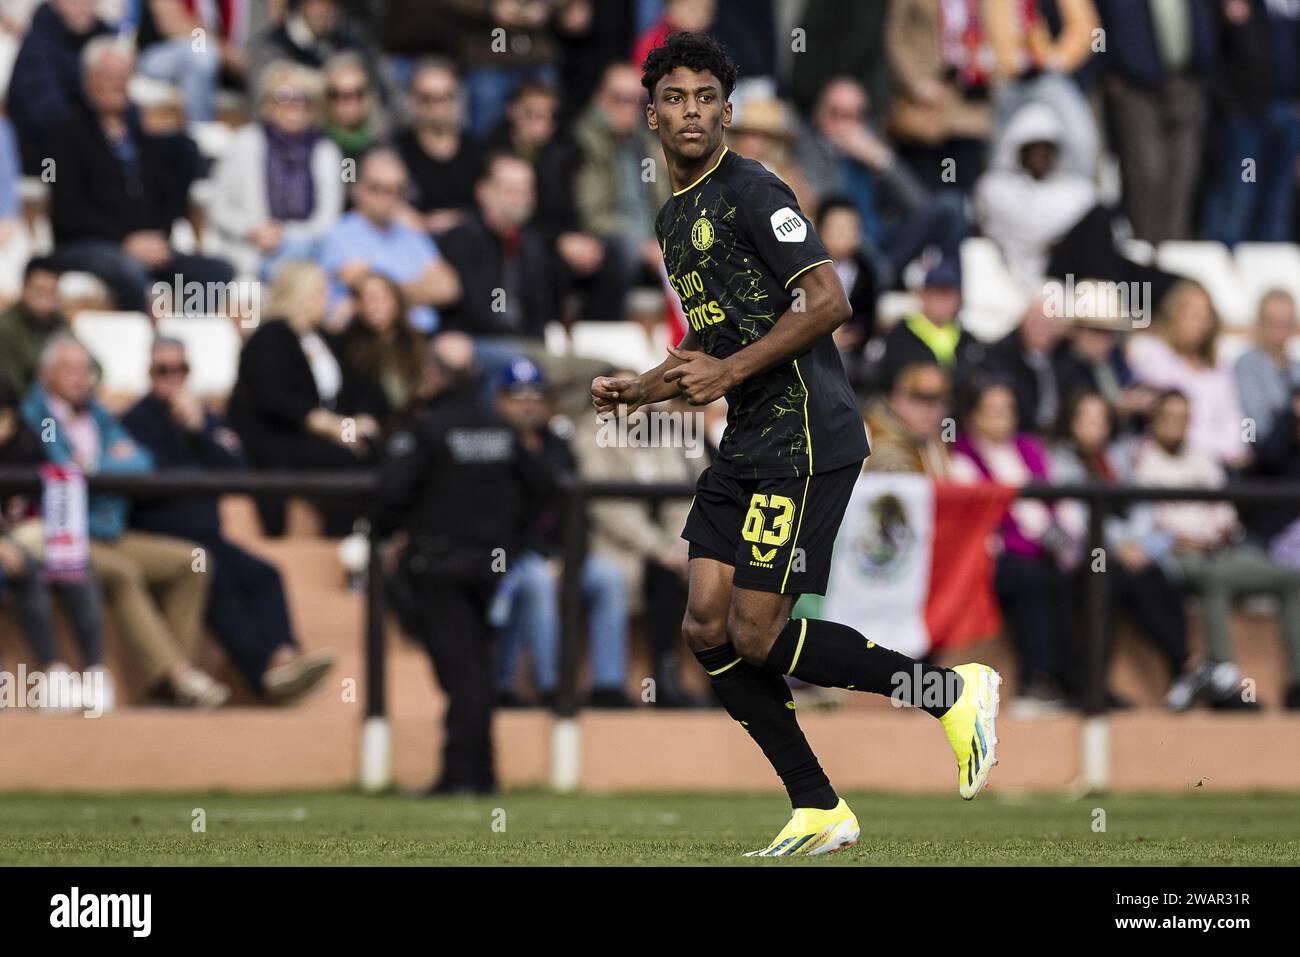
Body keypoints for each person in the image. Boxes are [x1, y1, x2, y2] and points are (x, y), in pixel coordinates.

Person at [591, 32, 1001, 857]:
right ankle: (818, 806)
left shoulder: (753, 186)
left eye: (707, 97)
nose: (692, 111)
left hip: (807, 433)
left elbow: (828, 299)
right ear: (652, 114)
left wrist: (727, 370)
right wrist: (645, 386)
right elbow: (711, 346)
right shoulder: (674, 218)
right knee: (703, 623)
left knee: (754, 633)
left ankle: (946, 690)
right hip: (748, 438)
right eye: (675, 98)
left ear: (727, 112)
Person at [372, 332, 555, 795]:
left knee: (461, 673)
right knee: (475, 665)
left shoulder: (427, 429)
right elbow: (544, 487)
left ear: (434, 375)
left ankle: (461, 777)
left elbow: (389, 494)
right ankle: (482, 773)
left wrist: (395, 529)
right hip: (489, 567)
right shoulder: (500, 429)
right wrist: (514, 541)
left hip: (440, 566)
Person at [123, 338, 336, 702]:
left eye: (181, 369)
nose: (173, 377)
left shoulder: (204, 417)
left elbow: (236, 470)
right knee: (213, 579)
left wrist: (198, 431)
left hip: (209, 534)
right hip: (165, 536)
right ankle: (265, 671)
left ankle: (285, 653)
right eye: (163, 370)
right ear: (149, 373)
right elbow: (148, 478)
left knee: (265, 574)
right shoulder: (134, 421)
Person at [22, 335, 227, 708]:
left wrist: (93, 469)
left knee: (194, 562)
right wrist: (100, 468)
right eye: (69, 368)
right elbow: (58, 465)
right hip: (64, 537)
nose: (79, 377)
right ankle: (180, 676)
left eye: (85, 369)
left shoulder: (98, 414)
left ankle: (172, 683)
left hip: (108, 530)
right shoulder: (35, 416)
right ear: (47, 373)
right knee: (123, 573)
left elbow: (140, 463)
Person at [1131, 388, 1300, 709]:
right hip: (1175, 556)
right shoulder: (1141, 457)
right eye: (1169, 417)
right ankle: (1226, 685)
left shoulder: (1201, 457)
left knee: (1292, 578)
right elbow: (1155, 522)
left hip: (1219, 550)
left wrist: (1220, 531)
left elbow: (1225, 511)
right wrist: (1193, 539)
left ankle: (1297, 683)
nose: (1176, 425)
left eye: (1183, 418)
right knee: (1216, 577)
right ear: (1154, 420)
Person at [45, 37, 235, 313]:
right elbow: (66, 211)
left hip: (144, 243)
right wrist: (124, 241)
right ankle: (138, 341)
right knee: (129, 271)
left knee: (216, 273)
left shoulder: (143, 135)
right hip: (85, 244)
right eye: (107, 75)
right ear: (88, 79)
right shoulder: (63, 135)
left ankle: (177, 338)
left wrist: (156, 236)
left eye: (123, 76)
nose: (116, 84)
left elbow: (176, 182)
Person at [1049, 390, 1203, 710]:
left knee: (1154, 575)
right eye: (1085, 420)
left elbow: (1143, 505)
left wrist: (1141, 545)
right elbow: (1077, 520)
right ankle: (1096, 686)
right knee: (1110, 581)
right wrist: (1122, 547)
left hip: (1126, 555)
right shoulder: (1058, 461)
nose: (1093, 427)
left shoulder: (1117, 457)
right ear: (1071, 423)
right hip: (1080, 557)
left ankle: (1184, 669)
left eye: (1100, 420)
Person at [491, 358, 632, 709]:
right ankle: (552, 686)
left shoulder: (557, 444)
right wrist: (544, 558)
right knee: (538, 580)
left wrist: (568, 559)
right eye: (516, 394)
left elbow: (575, 512)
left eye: (535, 394)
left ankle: (607, 686)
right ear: (500, 400)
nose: (527, 402)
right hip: (510, 557)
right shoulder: (491, 442)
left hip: (559, 554)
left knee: (609, 577)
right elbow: (499, 518)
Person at [226, 262, 381, 537]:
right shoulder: (270, 337)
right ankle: (345, 541)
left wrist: (361, 419)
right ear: (301, 293)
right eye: (321, 292)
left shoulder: (323, 338)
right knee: (343, 460)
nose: (326, 299)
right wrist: (337, 428)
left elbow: (357, 387)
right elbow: (279, 401)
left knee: (380, 449)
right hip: (279, 438)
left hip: (320, 432)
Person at [950, 380, 1072, 714]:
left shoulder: (1030, 448)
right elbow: (981, 524)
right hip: (994, 558)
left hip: (1045, 548)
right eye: (993, 412)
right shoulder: (963, 459)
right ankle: (1038, 679)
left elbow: (1058, 502)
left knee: (1088, 577)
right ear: (974, 416)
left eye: (1008, 411)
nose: (1003, 419)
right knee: (1033, 579)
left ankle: (1082, 683)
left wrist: (1066, 540)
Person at [0, 382, 110, 711]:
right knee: (24, 566)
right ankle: (52, 671)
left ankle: (94, 674)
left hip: (27, 538)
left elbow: (55, 496)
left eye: (4, 417)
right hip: (10, 551)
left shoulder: (28, 444)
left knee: (74, 564)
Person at [210, 60, 345, 279]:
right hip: (252, 252)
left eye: (304, 99)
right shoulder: (245, 142)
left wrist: (286, 235)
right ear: (268, 103)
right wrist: (252, 231)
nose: (294, 106)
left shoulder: (327, 152)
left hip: (307, 253)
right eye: (284, 97)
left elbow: (328, 221)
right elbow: (219, 207)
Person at [319, 148, 461, 334]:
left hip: (421, 338)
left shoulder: (411, 233)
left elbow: (449, 289)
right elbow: (369, 292)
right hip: (372, 339)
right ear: (356, 188)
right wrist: (419, 287)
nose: (387, 198)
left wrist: (390, 290)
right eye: (377, 188)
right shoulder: (340, 233)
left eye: (397, 190)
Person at [1129, 280, 1247, 468]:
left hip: (1220, 465)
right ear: (1173, 316)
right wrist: (1213, 449)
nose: (1198, 323)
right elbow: (1170, 422)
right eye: (1191, 314)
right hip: (1172, 462)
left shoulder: (1220, 368)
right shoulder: (1153, 357)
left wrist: (1238, 449)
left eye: (1204, 315)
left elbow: (1234, 418)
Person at [5, 0, 113, 175]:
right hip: (45, 156)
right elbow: (48, 115)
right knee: (58, 171)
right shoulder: (37, 46)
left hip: (97, 146)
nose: (81, 6)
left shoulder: (106, 39)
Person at [393, 58, 485, 236]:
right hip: (412, 241)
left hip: (468, 242)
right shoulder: (397, 149)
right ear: (413, 100)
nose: (436, 107)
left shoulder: (475, 150)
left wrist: (456, 220)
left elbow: (488, 204)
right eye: (427, 99)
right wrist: (417, 220)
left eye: (443, 98)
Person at [873, 257, 984, 393]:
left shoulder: (968, 341)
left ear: (959, 299)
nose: (941, 302)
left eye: (947, 295)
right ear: (923, 296)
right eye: (935, 294)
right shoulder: (900, 335)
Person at [983, 294, 1068, 436]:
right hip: (1017, 437)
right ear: (1023, 320)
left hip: (1057, 439)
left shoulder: (1063, 355)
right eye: (1036, 321)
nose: (1042, 329)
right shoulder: (1002, 355)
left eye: (1049, 324)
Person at [862, 362, 954, 477]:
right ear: (897, 399)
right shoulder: (881, 445)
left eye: (940, 401)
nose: (932, 412)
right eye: (920, 398)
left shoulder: (932, 443)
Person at [0, 258, 75, 398]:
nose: (45, 301)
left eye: (51, 292)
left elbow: (91, 364)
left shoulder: (59, 322)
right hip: (28, 406)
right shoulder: (5, 328)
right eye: (39, 291)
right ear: (24, 289)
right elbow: (14, 386)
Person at [1235, 290, 1300, 442]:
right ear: (1261, 323)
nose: (1280, 328)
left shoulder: (1295, 367)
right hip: (1266, 451)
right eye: (1273, 322)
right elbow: (1253, 421)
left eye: (1285, 322)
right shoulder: (1248, 364)